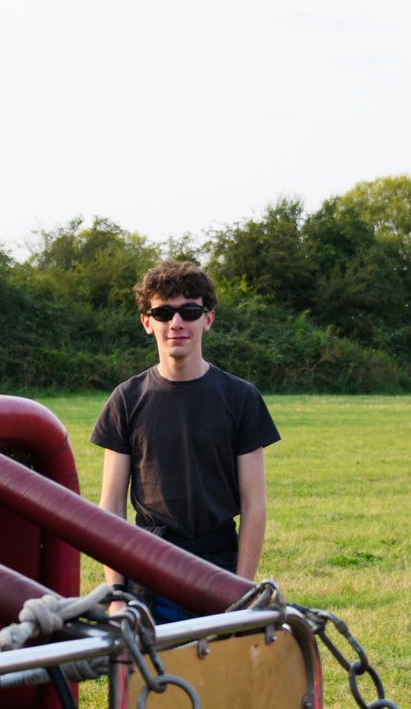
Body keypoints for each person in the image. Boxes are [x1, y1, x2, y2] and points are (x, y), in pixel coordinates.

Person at [91, 260, 278, 621]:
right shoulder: (126, 399)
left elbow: (254, 505)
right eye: (163, 313)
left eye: (190, 312)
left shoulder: (241, 398)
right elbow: (111, 506)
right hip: (149, 573)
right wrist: (116, 595)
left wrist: (241, 590)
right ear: (147, 322)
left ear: (208, 318)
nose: (176, 323)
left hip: (220, 572)